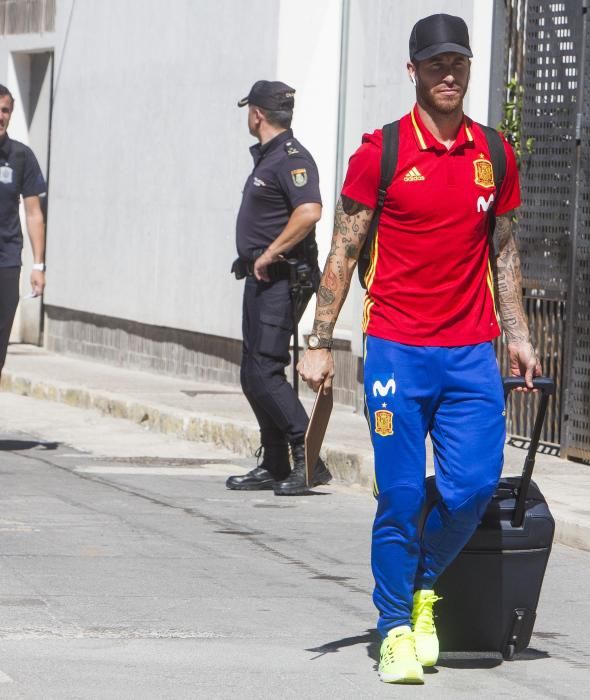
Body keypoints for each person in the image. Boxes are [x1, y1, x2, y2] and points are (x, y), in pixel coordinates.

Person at [298, 14, 541, 684]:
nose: (448, 74)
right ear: (413, 71)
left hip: (470, 354)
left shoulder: (493, 151)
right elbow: (342, 252)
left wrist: (517, 335)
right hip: (396, 354)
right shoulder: (379, 153)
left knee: (468, 491)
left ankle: (421, 587)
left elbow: (504, 250)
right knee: (402, 495)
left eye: (457, 63)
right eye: (435, 64)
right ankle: (395, 628)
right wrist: (317, 342)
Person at [226, 80, 332, 497]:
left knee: (266, 369)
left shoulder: (291, 158)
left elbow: (310, 211)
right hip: (261, 276)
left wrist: (270, 253)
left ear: (257, 114)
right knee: (252, 371)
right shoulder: (270, 157)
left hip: (283, 277)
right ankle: (273, 462)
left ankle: (309, 460)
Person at [0, 84, 47, 377]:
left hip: (6, 261)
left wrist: (38, 265)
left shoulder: (21, 157)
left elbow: (33, 212)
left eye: (4, 110)